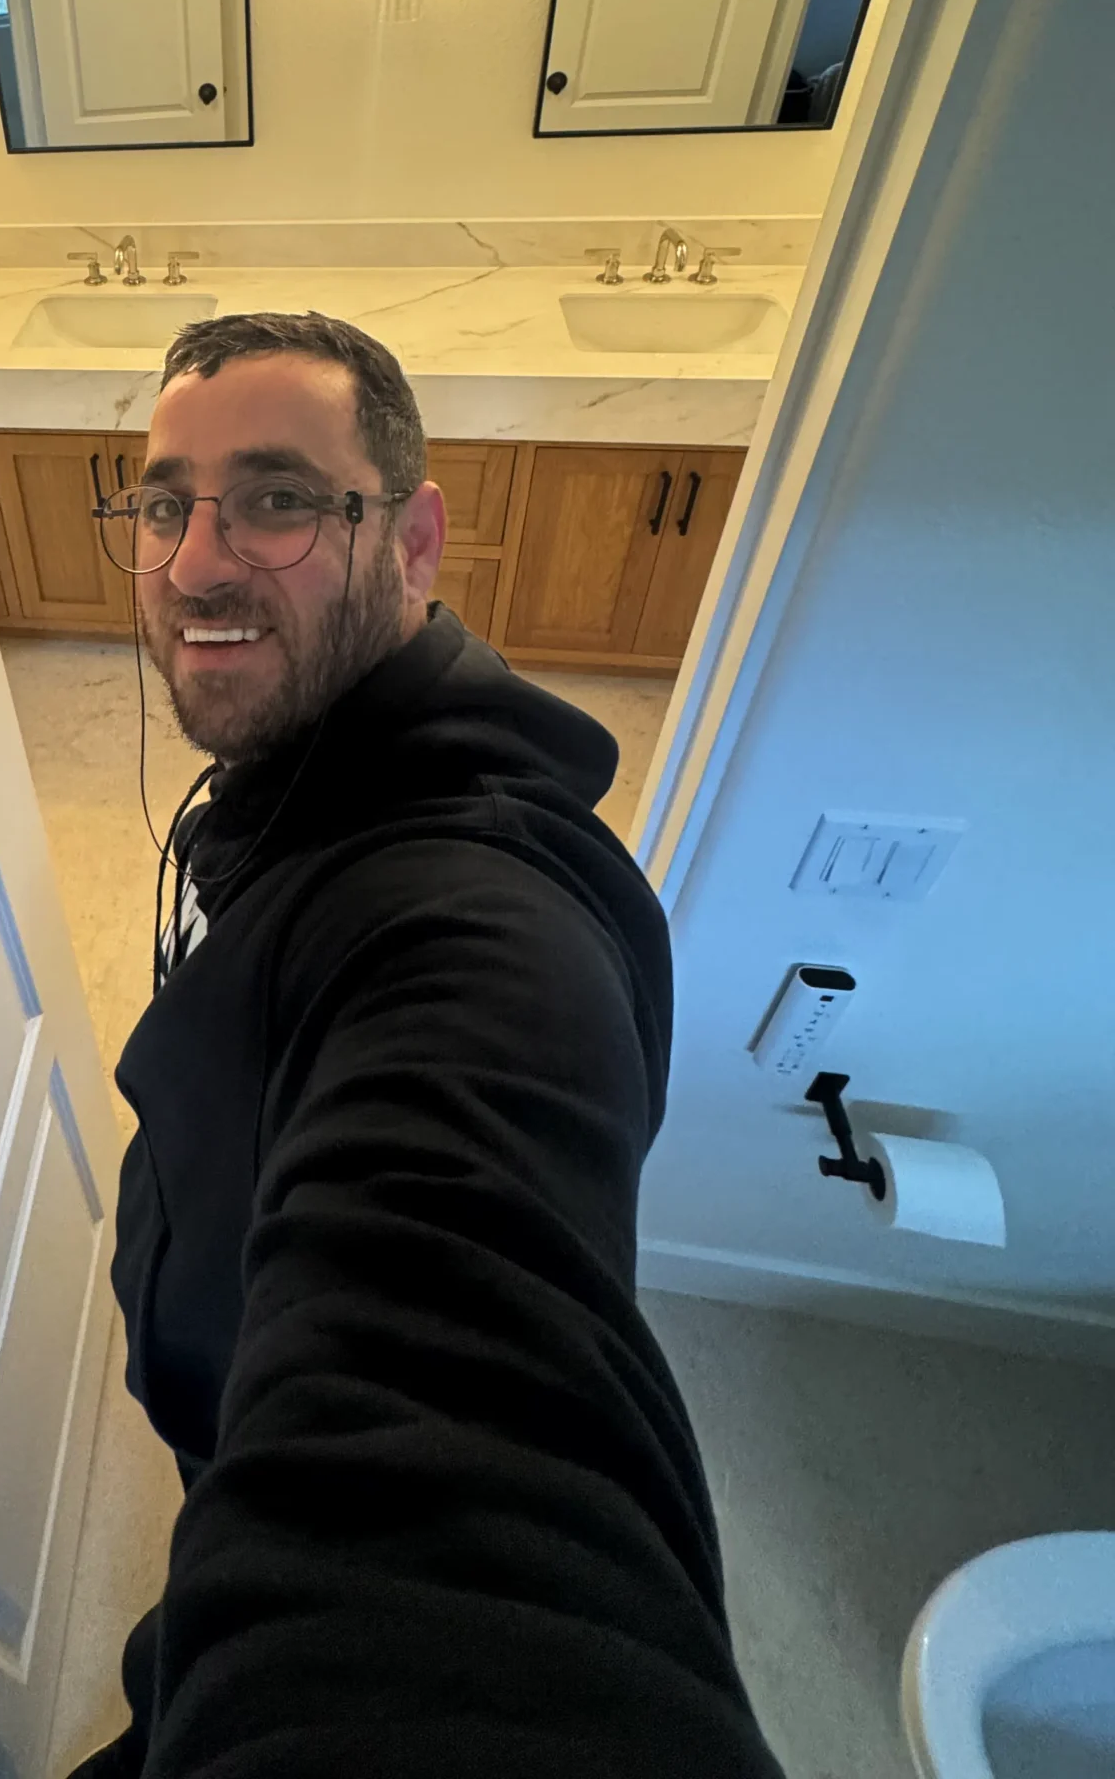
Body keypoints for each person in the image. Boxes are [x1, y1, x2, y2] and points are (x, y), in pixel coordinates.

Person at [68, 310, 782, 1779]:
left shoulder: (474, 934)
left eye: (275, 499)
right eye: (164, 502)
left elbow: (452, 1533)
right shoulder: (301, 782)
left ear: (412, 540)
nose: (196, 563)